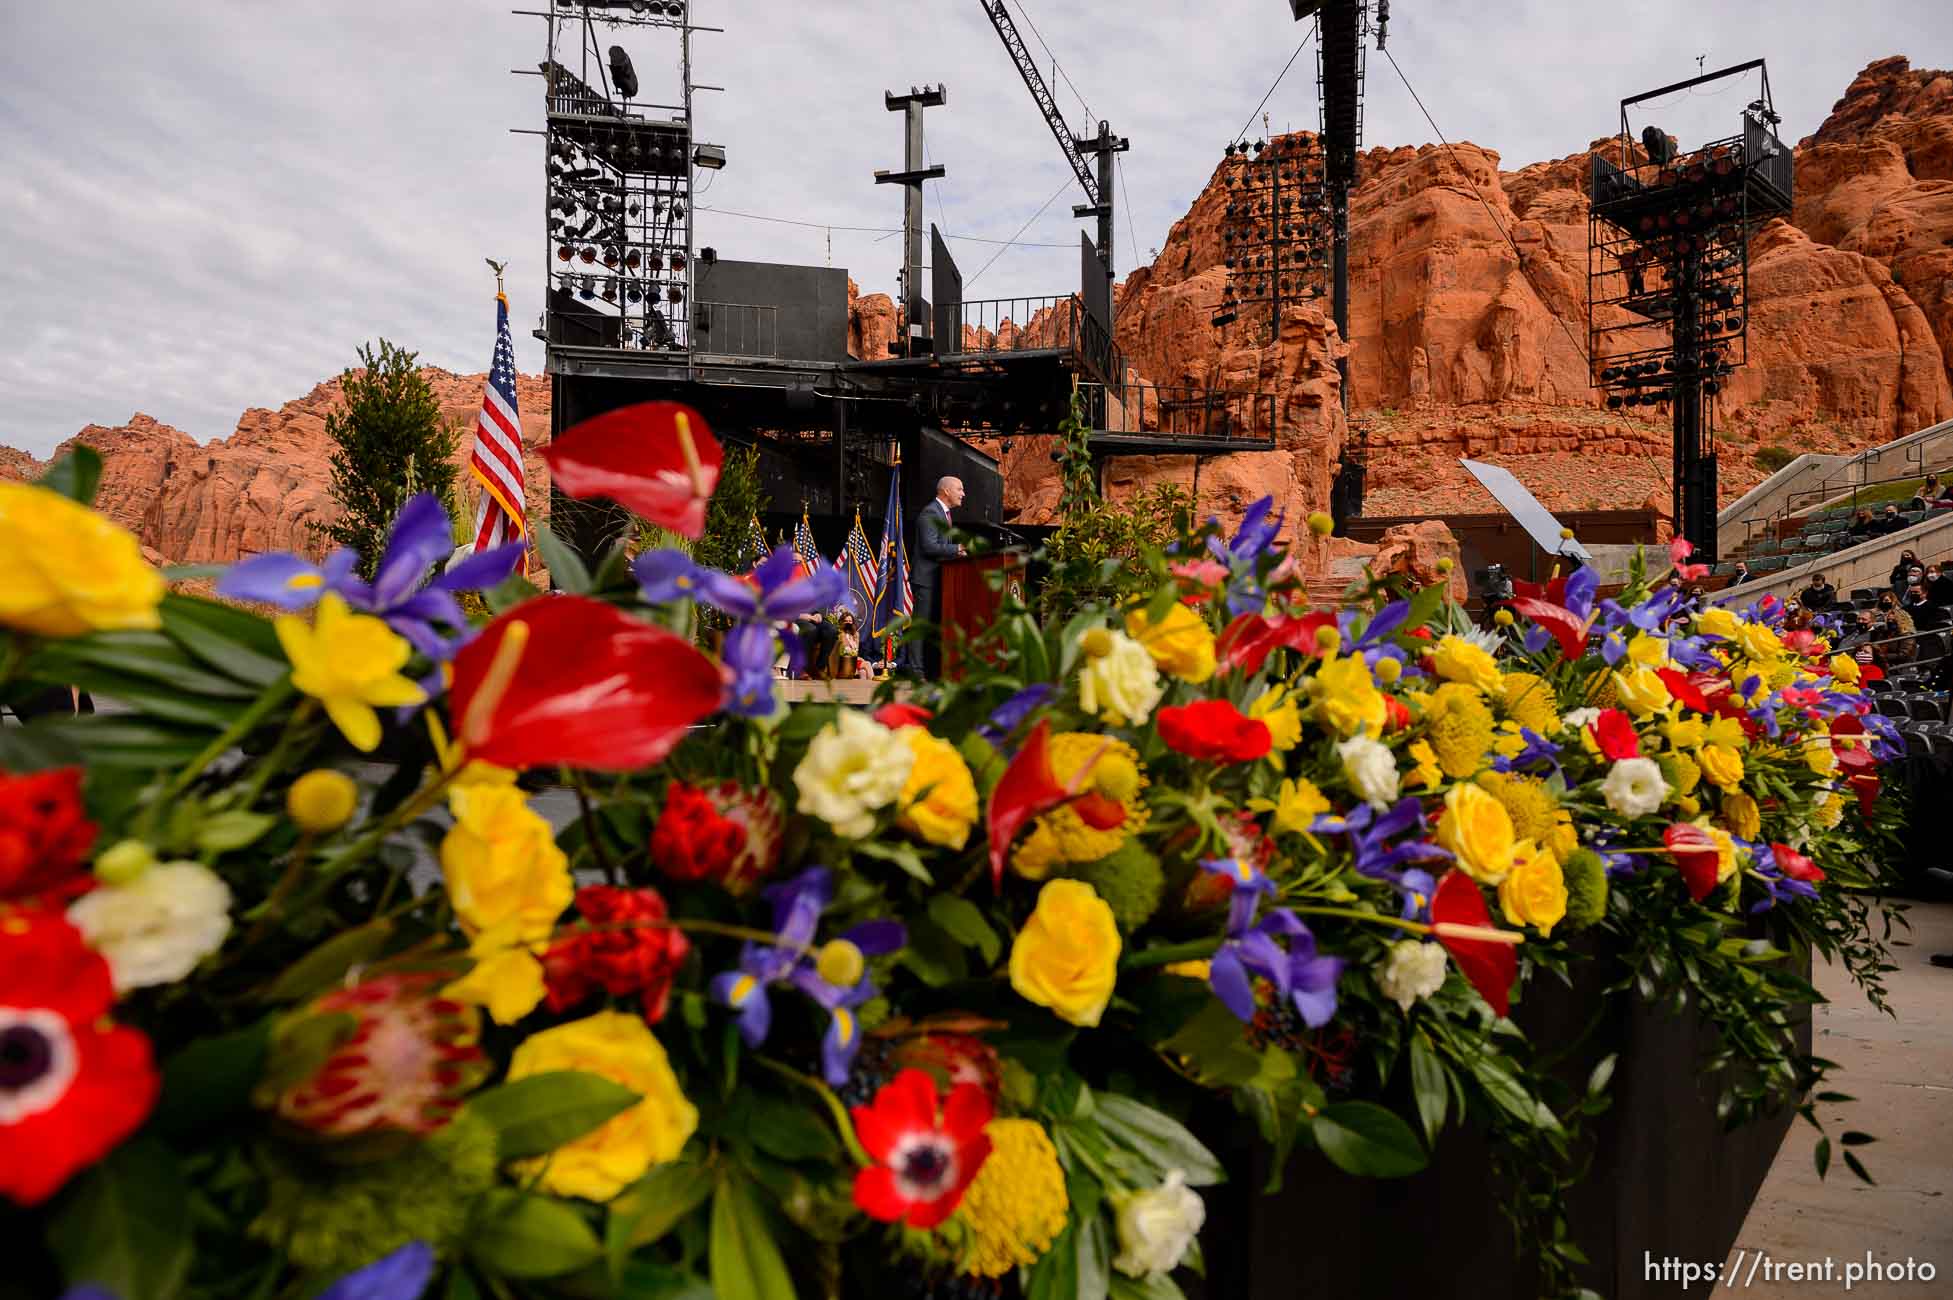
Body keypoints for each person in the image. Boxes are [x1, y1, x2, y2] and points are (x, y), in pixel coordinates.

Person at [911, 475, 966, 678]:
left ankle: (932, 670)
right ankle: (916, 672)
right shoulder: (930, 513)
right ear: (946, 491)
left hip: (938, 579)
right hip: (925, 580)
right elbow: (929, 546)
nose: (963, 494)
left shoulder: (943, 514)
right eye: (960, 489)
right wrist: (956, 549)